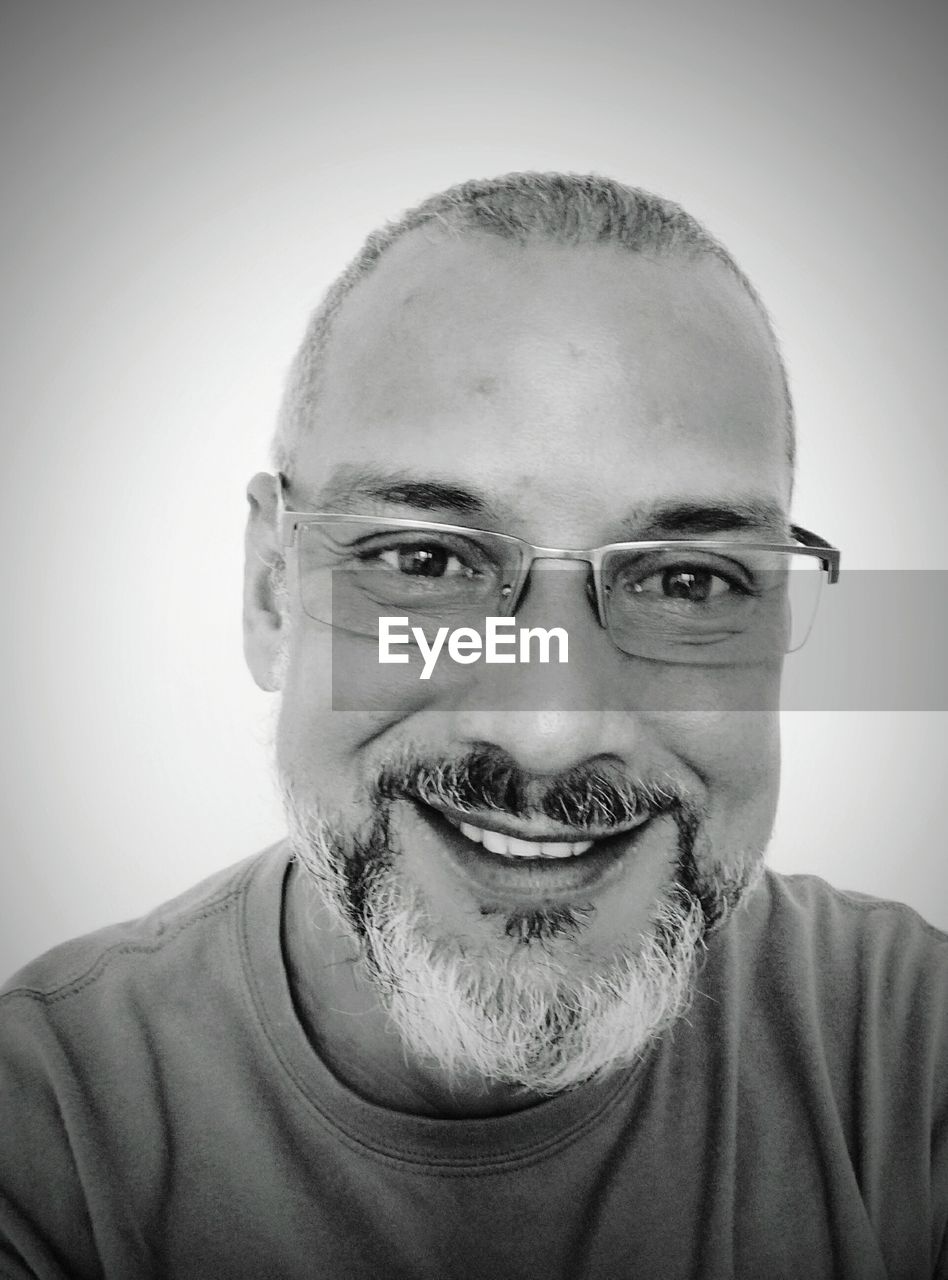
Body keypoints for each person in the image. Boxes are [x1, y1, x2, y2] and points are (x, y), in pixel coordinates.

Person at [1, 172, 945, 1280]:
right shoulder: (44, 1131)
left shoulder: (913, 1053)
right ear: (269, 590)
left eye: (688, 580)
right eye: (426, 560)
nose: (548, 728)